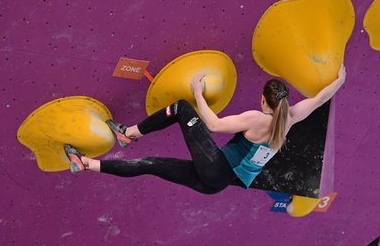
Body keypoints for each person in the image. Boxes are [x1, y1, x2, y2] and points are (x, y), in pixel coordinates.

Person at [64, 65, 346, 194]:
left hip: (215, 168)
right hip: (214, 185)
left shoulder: (256, 118)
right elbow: (320, 98)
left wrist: (198, 93)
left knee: (183, 108)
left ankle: (130, 133)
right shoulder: (292, 118)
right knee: (150, 165)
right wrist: (340, 80)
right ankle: (84, 163)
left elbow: (213, 125)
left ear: (263, 100)